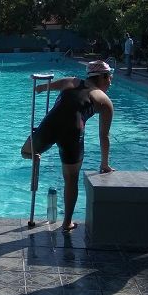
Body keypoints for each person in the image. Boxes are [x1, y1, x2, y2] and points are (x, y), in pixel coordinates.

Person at [21, 60, 115, 232]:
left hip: (51, 125)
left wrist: (42, 88)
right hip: (73, 133)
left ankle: (36, 154)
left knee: (26, 152)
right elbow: (104, 136)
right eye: (109, 78)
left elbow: (57, 84)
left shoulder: (73, 81)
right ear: (102, 77)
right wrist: (104, 164)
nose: (110, 81)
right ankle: (67, 223)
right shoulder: (105, 101)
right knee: (71, 179)